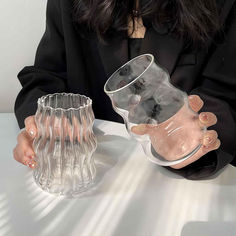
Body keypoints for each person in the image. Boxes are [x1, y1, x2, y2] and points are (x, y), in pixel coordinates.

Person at [13, 0, 236, 180]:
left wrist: (194, 142)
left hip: (174, 186)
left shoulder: (221, 5)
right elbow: (48, 74)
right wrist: (41, 120)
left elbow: (225, 94)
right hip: (91, 171)